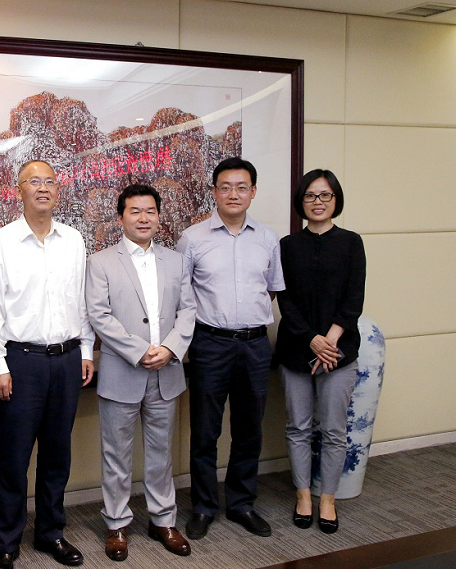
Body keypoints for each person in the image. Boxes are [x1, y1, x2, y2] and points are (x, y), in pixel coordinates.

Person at [0, 160, 95, 569]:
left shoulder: (73, 240)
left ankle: (51, 533)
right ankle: (7, 542)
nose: (42, 188)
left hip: (66, 360)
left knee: (57, 455)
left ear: (57, 190)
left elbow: (82, 300)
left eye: (49, 181)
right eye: (33, 181)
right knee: (14, 458)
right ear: (19, 190)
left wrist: (86, 350)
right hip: (21, 362)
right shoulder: (3, 241)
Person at [175, 156, 285, 540]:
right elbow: (182, 295)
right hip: (210, 344)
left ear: (253, 192)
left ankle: (241, 504)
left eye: (241, 187)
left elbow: (271, 289)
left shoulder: (268, 238)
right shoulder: (192, 239)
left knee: (249, 429)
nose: (233, 194)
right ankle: (204, 507)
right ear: (214, 192)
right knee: (205, 431)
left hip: (255, 345)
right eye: (225, 187)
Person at [85, 183, 195, 562]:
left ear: (159, 217)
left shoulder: (176, 261)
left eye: (150, 211)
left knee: (161, 455)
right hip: (122, 372)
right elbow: (99, 315)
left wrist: (170, 348)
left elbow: (188, 310)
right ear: (121, 218)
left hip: (167, 372)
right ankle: (116, 524)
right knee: (116, 455)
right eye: (135, 211)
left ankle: (163, 520)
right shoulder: (101, 262)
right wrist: (140, 351)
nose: (143, 218)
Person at [276, 169, 366, 535]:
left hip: (339, 353)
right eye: (311, 195)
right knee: (298, 427)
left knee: (333, 430)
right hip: (296, 349)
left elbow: (354, 298)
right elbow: (284, 298)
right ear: (301, 201)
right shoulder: (287, 245)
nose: (318, 202)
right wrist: (311, 339)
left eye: (325, 195)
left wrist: (329, 341)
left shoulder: (351, 242)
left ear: (336, 200)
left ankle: (327, 499)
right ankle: (303, 495)